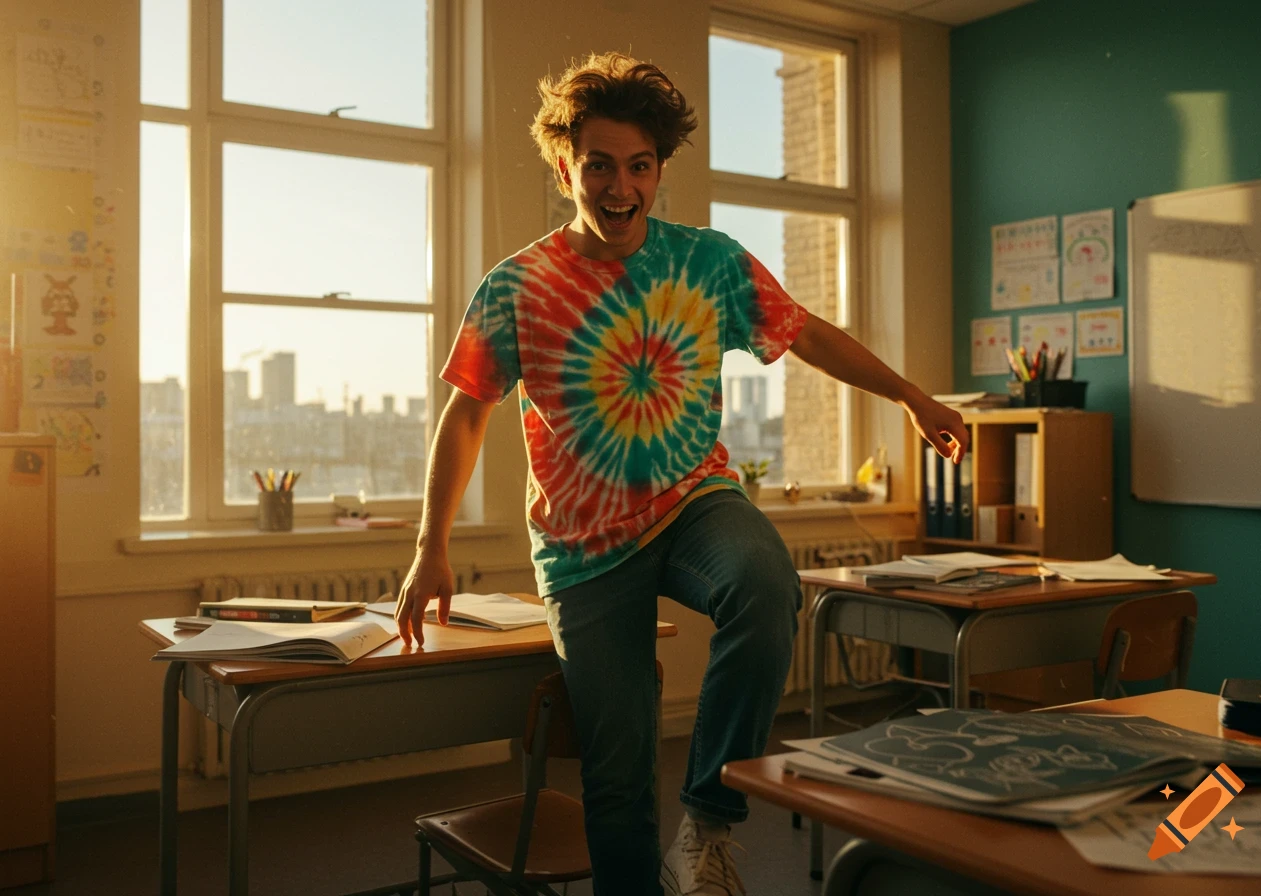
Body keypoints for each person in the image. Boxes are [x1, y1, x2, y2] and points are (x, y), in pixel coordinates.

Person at [395, 51, 968, 896]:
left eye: (638, 166)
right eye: (599, 165)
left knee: (767, 583)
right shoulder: (518, 286)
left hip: (694, 502)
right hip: (582, 547)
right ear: (567, 168)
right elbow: (468, 411)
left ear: (659, 170)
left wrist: (911, 394)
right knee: (618, 776)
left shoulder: (708, 261)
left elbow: (804, 332)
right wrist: (428, 546)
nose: (619, 186)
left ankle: (709, 822)